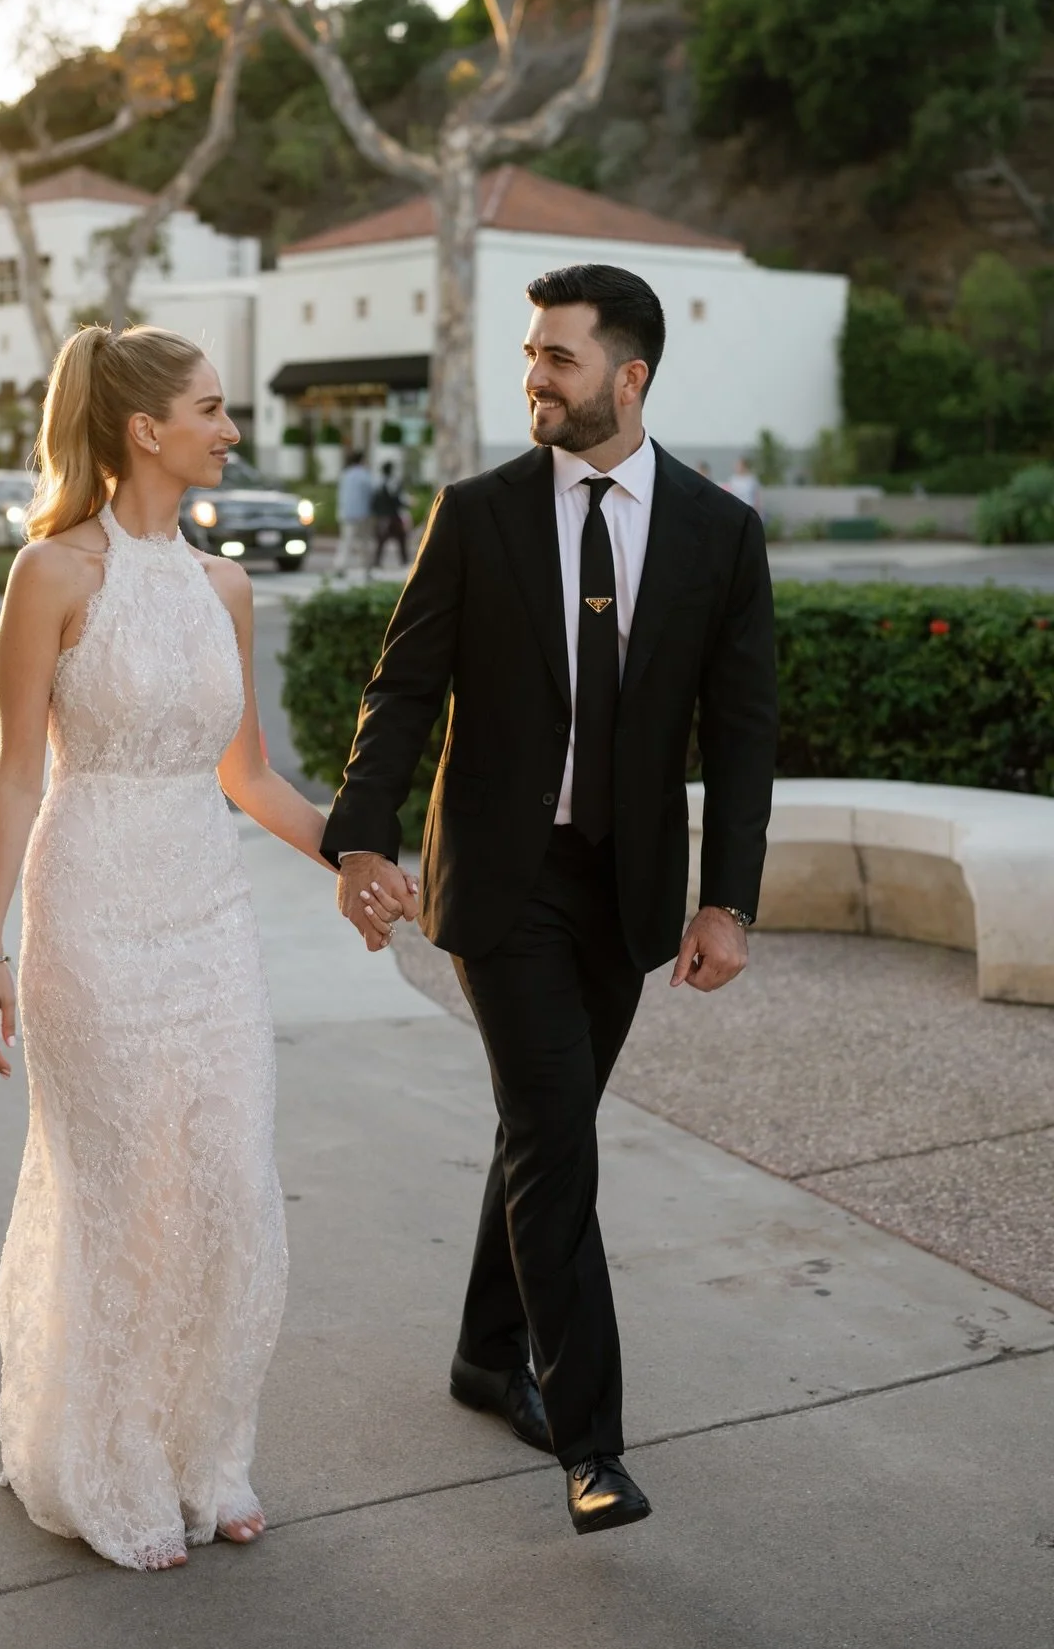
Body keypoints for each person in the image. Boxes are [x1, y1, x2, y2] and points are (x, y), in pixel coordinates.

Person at [323, 264, 777, 1538]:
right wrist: (360, 838)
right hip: (502, 885)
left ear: (629, 379)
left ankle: (483, 1352)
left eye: (561, 359)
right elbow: (402, 689)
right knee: (556, 1138)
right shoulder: (477, 515)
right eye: (531, 354)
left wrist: (726, 900)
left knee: (544, 1124)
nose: (536, 376)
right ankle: (591, 1442)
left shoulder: (718, 534)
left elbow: (742, 736)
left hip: (625, 896)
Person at [0, 324, 401, 1572]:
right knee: (124, 1197)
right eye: (212, 409)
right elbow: (10, 778)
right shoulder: (52, 573)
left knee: (225, 1190)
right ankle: (106, 1459)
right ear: (143, 428)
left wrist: (353, 861)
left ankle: (208, 1453)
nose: (231, 427)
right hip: (91, 915)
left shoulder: (226, 587)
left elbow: (250, 775)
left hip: (210, 926)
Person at [335, 448, 375, 579]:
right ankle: (367, 570)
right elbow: (372, 493)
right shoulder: (365, 475)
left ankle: (340, 567)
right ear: (362, 460)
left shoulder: (345, 474)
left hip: (347, 513)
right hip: (363, 513)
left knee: (346, 542)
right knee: (365, 543)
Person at [371, 462, 409, 568]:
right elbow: (396, 499)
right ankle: (404, 561)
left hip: (381, 516)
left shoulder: (377, 482)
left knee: (381, 540)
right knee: (401, 538)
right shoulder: (392, 482)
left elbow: (374, 500)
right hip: (392, 515)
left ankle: (377, 561)